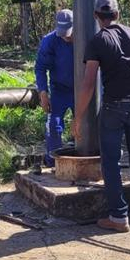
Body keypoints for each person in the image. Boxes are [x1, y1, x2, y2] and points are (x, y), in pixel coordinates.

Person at [74, 0, 130, 233]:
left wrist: (78, 117)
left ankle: (119, 217)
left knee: (110, 162)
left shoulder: (97, 41)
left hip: (114, 107)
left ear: (95, 16)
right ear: (118, 15)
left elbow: (89, 83)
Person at [34, 9, 75, 167]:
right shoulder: (49, 41)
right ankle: (53, 164)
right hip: (59, 90)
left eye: (69, 33)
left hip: (81, 90)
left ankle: (84, 159)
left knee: (86, 127)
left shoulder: (85, 37)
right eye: (63, 33)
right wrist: (43, 93)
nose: (66, 36)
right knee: (54, 125)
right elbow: (40, 68)